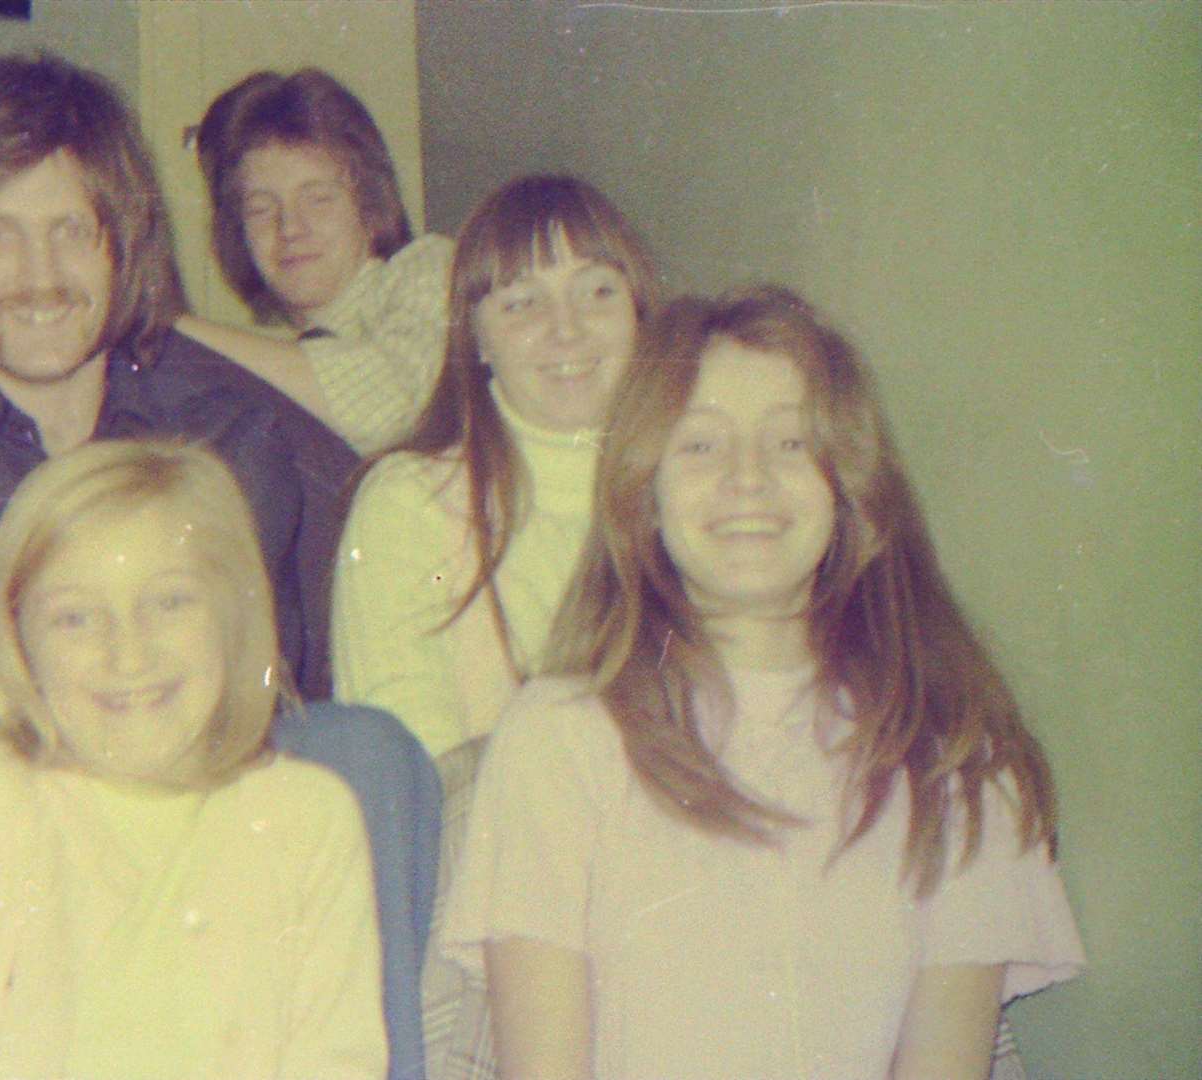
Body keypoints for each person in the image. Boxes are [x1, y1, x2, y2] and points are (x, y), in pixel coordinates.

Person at [0, 54, 438, 1080]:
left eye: (73, 229)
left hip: (178, 821)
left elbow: (254, 700)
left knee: (366, 750)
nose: (41, 274)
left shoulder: (224, 429)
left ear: (125, 243)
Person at [442, 286, 1086, 1079]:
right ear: (642, 494)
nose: (747, 478)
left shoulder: (952, 749)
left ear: (849, 488)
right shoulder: (558, 738)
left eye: (790, 444)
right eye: (701, 446)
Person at [0, 440, 387, 1079]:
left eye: (171, 602)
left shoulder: (307, 819)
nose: (128, 653)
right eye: (75, 618)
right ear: (17, 643)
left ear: (234, 616)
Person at [331, 176, 665, 760]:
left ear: (640, 314)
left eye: (597, 292)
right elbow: (417, 776)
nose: (567, 329)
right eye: (522, 302)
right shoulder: (411, 504)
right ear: (477, 338)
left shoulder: (694, 496)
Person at [176, 68, 453, 456]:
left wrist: (173, 327)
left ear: (371, 205)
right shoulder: (281, 360)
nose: (289, 228)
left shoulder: (430, 270)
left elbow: (387, 405)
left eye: (318, 198)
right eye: (260, 209)